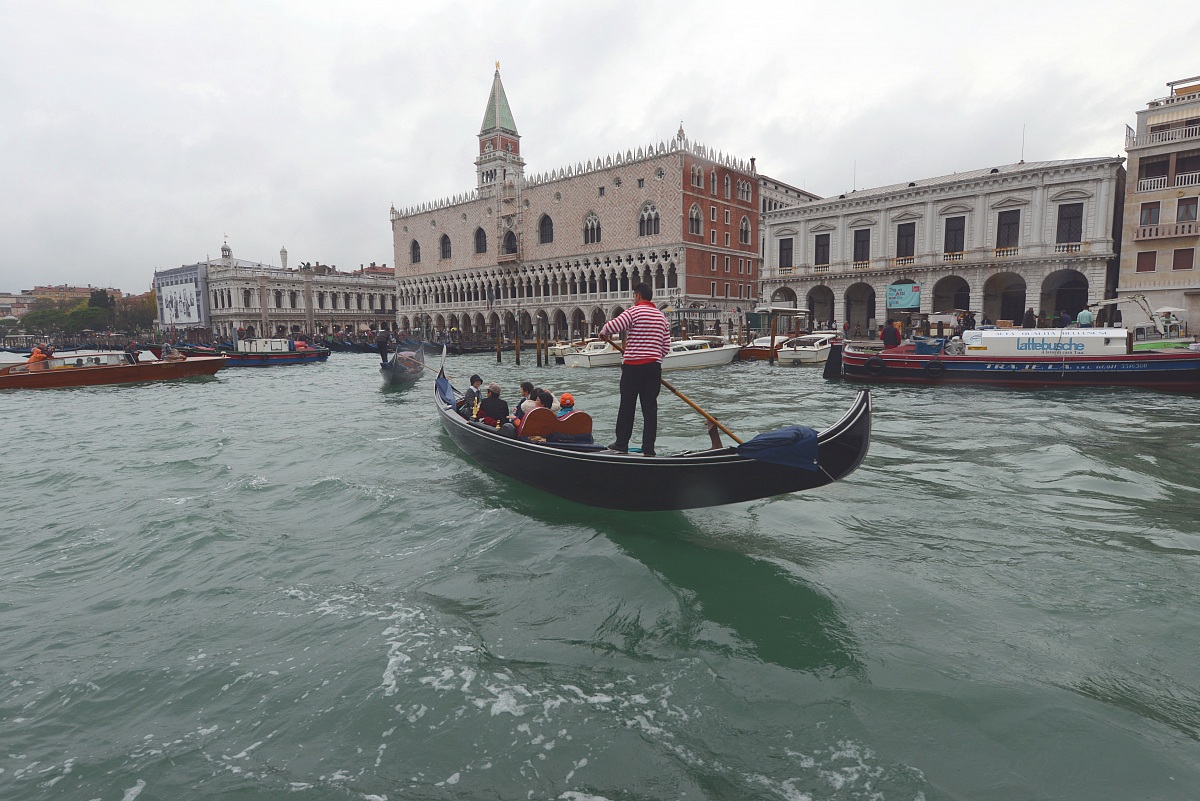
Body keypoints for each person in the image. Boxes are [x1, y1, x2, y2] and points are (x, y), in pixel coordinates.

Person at [599, 282, 671, 457]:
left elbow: (612, 326)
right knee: (650, 408)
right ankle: (649, 448)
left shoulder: (634, 312)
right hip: (653, 368)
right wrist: (653, 358)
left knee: (627, 405)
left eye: (634, 296)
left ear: (638, 296)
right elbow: (665, 347)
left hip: (633, 367)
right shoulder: (662, 318)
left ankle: (622, 443)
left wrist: (603, 332)